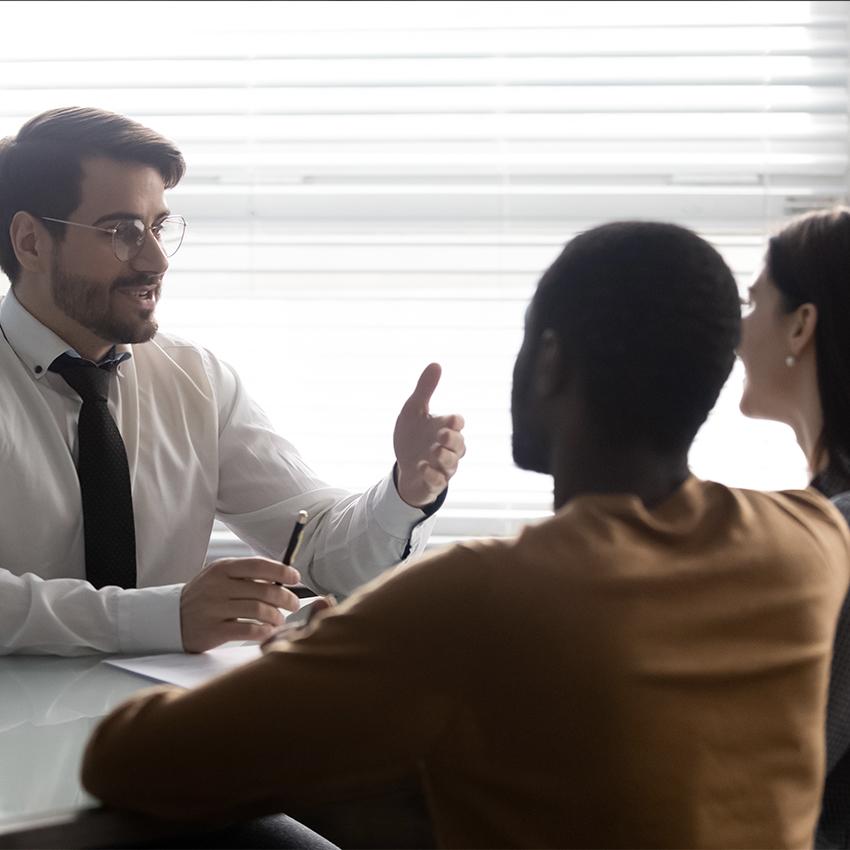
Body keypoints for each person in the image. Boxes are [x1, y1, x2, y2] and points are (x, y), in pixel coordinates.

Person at [81, 220, 850, 849]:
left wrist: (315, 653)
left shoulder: (478, 594)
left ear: (548, 362)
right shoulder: (813, 539)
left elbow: (131, 760)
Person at [0, 107, 466, 656]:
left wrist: (407, 494)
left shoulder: (197, 379)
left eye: (157, 227)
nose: (156, 260)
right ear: (30, 241)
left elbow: (318, 545)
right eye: (122, 232)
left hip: (171, 727)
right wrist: (159, 617)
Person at [736, 207, 850, 849]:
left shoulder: (838, 539)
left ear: (801, 325)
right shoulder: (824, 517)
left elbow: (776, 783)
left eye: (754, 302)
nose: (738, 331)